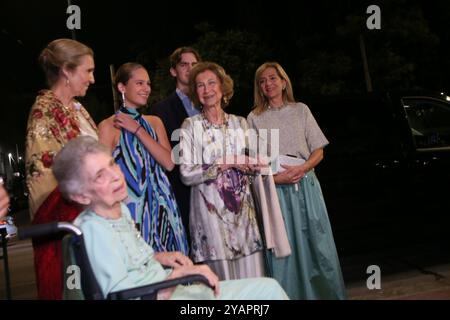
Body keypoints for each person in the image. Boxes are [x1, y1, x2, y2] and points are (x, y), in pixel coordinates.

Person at [53, 135, 289, 300]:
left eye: (113, 164)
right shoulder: (94, 230)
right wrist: (184, 274)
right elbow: (122, 295)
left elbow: (127, 260)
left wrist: (162, 257)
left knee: (267, 289)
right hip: (165, 294)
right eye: (99, 176)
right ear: (81, 195)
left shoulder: (119, 209)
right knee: (266, 294)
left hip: (169, 288)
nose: (116, 176)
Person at [247, 62, 347, 300]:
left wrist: (302, 168)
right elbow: (252, 163)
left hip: (306, 185)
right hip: (276, 190)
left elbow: (319, 151)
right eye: (262, 81)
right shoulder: (253, 118)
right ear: (259, 88)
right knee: (285, 250)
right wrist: (276, 177)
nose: (268, 84)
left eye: (273, 78)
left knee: (317, 245)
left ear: (283, 82)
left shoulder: (301, 110)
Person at [179, 62, 267, 281]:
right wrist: (225, 162)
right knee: (224, 290)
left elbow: (253, 168)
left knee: (253, 288)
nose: (207, 90)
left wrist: (255, 165)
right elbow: (186, 174)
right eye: (200, 85)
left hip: (244, 221)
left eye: (211, 83)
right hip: (211, 223)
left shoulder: (241, 123)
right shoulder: (190, 126)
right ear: (195, 92)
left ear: (222, 87)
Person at [25, 38, 97, 299]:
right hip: (69, 225)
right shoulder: (44, 112)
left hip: (92, 217)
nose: (92, 79)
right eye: (88, 71)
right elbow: (44, 184)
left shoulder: (78, 109)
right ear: (67, 70)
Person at [98, 63, 188, 254]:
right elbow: (103, 174)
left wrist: (137, 130)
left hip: (164, 206)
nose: (146, 88)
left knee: (177, 268)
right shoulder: (107, 126)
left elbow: (169, 163)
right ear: (122, 87)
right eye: (139, 83)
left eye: (147, 83)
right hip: (131, 211)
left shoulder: (154, 122)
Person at [150, 47, 201, 241]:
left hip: (214, 188)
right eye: (183, 64)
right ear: (173, 71)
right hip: (183, 191)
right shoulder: (160, 110)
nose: (190, 68)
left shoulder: (210, 102)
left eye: (194, 64)